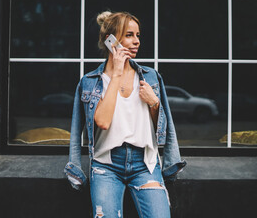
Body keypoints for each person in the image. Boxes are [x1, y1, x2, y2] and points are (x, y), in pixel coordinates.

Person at [64, 11, 186, 218]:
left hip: (145, 164)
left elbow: (163, 128)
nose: (136, 41)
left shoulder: (151, 78)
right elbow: (102, 121)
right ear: (110, 40)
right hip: (106, 166)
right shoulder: (90, 82)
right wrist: (117, 72)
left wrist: (154, 103)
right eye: (129, 35)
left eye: (138, 35)